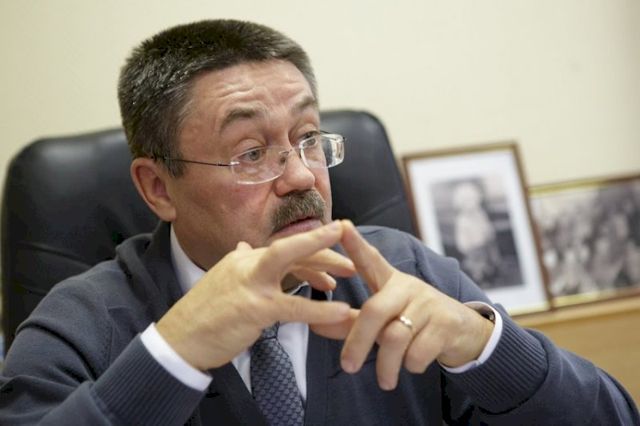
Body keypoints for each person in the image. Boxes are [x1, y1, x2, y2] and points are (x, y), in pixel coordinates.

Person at [0, 19, 638, 425]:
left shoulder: (402, 274)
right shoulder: (84, 320)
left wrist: (484, 347)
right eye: (252, 153)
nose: (303, 177)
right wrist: (174, 353)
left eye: (308, 138)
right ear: (158, 187)